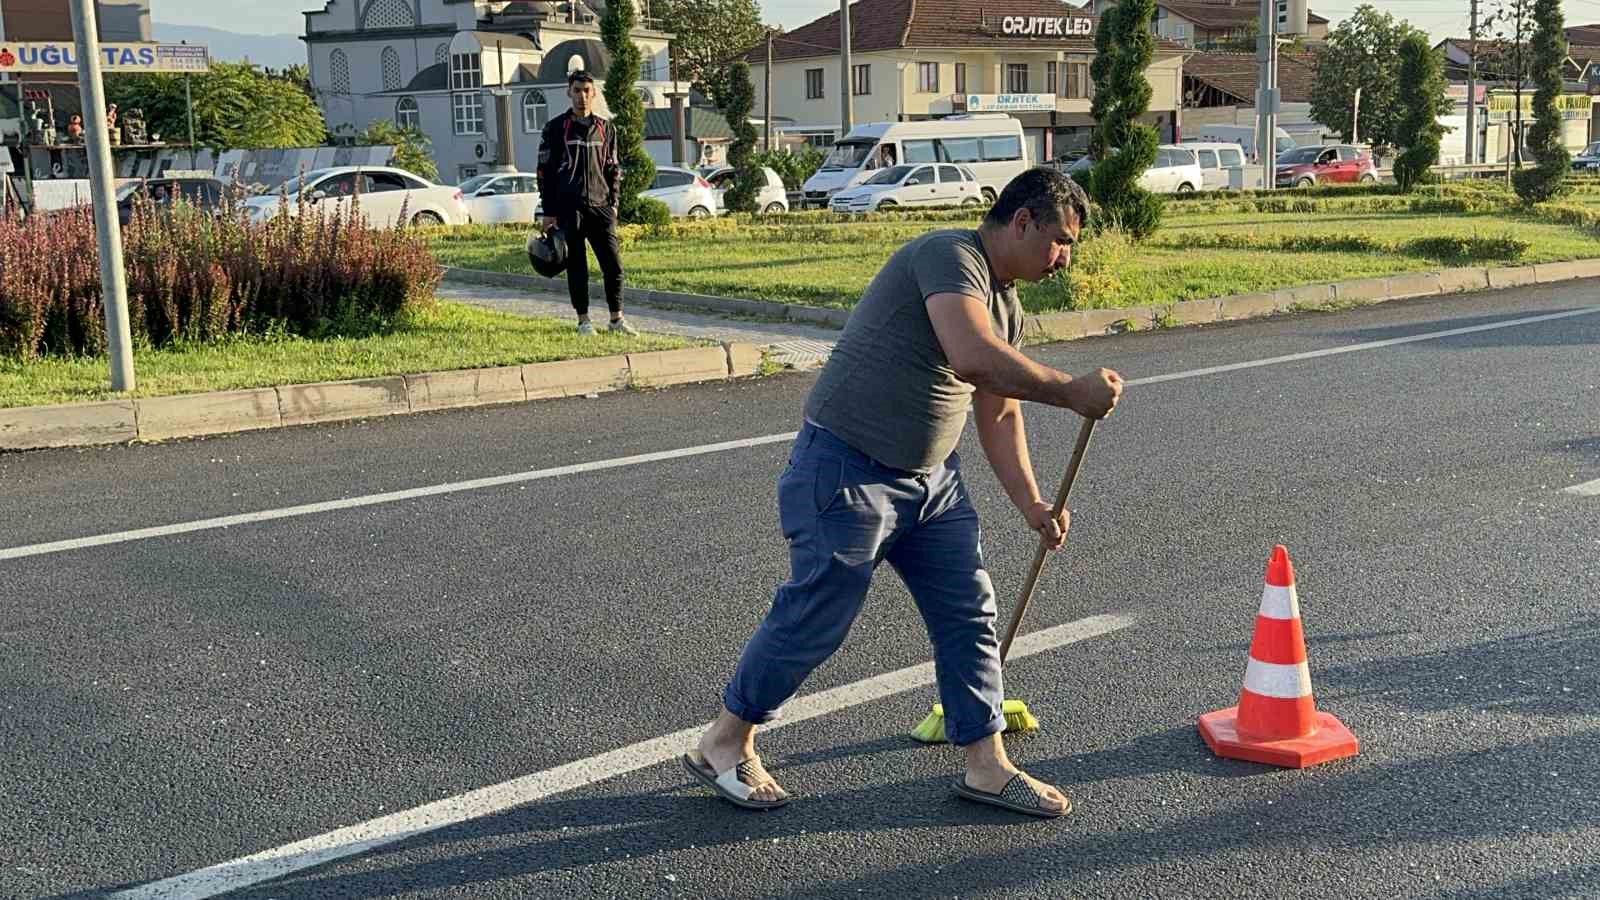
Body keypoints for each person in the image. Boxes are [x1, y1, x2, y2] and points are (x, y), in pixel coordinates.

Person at [681, 167, 1123, 819]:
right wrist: (1069, 389)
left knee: (968, 610)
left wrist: (1032, 504)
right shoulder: (948, 256)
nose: (1064, 257)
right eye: (1060, 240)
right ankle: (724, 742)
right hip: (847, 467)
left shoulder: (1009, 304)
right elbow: (972, 357)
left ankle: (986, 763)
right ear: (1023, 221)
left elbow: (997, 412)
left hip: (932, 483)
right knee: (817, 616)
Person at [536, 69, 636, 336]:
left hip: (601, 207)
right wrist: (549, 211)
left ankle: (617, 320)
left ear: (594, 94)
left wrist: (613, 203)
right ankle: (584, 321)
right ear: (569, 92)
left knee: (613, 265)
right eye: (577, 90)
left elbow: (613, 168)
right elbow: (544, 171)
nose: (582, 96)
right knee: (578, 266)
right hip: (570, 208)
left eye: (587, 91)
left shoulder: (606, 128)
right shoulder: (555, 128)